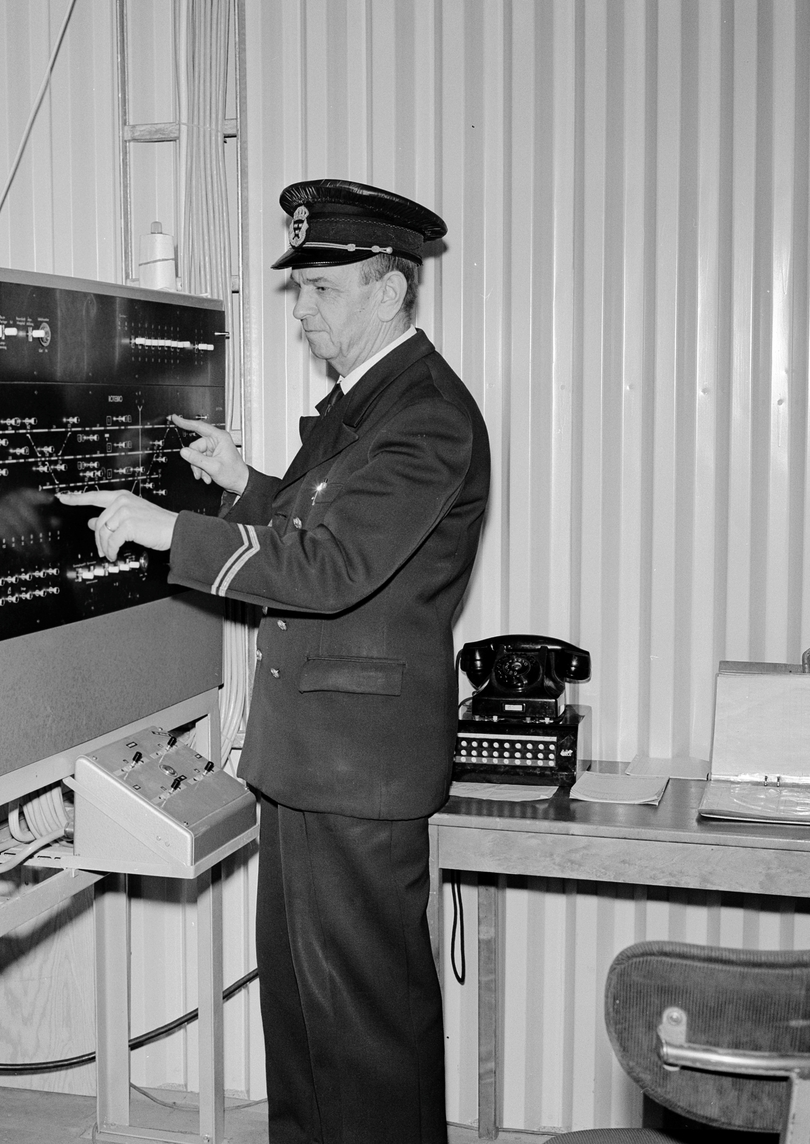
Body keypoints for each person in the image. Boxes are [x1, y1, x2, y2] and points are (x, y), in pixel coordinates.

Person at [60, 179, 491, 1144]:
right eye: (300, 288)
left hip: (358, 773)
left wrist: (172, 529)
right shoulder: (364, 405)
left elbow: (330, 569)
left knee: (366, 1042)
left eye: (323, 289)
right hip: (310, 762)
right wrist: (243, 481)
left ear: (390, 289)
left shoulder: (426, 415)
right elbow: (317, 526)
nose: (301, 310)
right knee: (303, 1030)